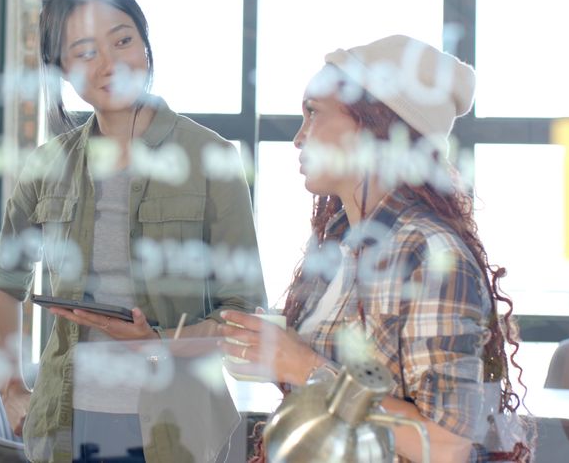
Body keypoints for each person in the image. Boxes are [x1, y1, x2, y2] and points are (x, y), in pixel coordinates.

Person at [0, 0, 267, 462]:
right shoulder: (49, 165)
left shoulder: (212, 158)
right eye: (86, 51)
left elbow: (244, 316)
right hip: (67, 424)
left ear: (146, 44)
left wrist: (157, 341)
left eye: (123, 40)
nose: (111, 64)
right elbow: (6, 281)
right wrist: (11, 384)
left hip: (180, 427)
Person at [220, 35, 527, 463]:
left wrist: (301, 365)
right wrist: (276, 355)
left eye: (313, 113)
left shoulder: (430, 254)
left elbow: (447, 446)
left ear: (373, 126)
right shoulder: (341, 240)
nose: (298, 137)